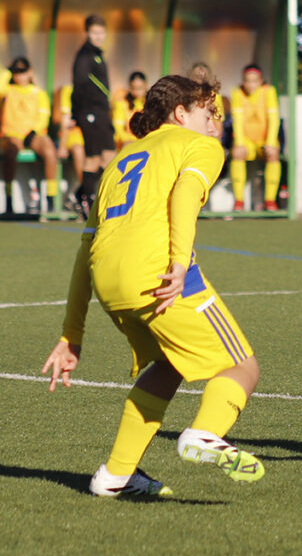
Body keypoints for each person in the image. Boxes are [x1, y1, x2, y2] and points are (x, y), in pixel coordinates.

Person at [42, 75, 265, 497]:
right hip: (158, 273)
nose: (215, 124)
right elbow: (184, 196)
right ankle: (204, 433)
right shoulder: (199, 146)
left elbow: (84, 249)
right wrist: (179, 263)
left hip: (109, 279)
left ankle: (115, 476)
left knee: (169, 364)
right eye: (208, 113)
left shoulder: (122, 158)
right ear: (181, 113)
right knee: (243, 367)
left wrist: (72, 334)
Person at [1, 57, 60, 213]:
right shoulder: (8, 90)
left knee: (49, 151)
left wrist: (33, 131)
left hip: (33, 134)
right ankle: (9, 200)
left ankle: (51, 199)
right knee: (11, 153)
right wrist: (8, 71)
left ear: (30, 72)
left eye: (23, 72)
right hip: (12, 134)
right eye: (16, 72)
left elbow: (44, 116)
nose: (19, 76)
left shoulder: (39, 93)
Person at [71, 14, 116, 218]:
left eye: (101, 32)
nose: (98, 36)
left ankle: (81, 193)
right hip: (89, 112)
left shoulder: (98, 54)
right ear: (87, 33)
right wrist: (77, 114)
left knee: (109, 157)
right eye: (94, 32)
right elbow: (79, 86)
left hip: (102, 112)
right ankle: (84, 201)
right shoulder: (84, 56)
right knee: (93, 157)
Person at [230, 64, 281, 211]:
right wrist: (239, 143)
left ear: (261, 81)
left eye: (254, 80)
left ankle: (270, 201)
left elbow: (274, 119)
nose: (250, 84)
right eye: (247, 80)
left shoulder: (269, 92)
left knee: (273, 154)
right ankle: (239, 201)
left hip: (263, 141)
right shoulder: (237, 92)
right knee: (237, 153)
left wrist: (270, 143)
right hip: (246, 141)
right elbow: (237, 120)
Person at [55, 84, 86, 199]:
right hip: (74, 135)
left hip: (90, 135)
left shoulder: (97, 91)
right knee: (78, 150)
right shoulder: (68, 91)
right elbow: (65, 122)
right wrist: (62, 146)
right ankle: (84, 193)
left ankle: (81, 193)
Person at [189, 62, 226, 140]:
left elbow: (218, 127)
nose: (200, 80)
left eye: (204, 76)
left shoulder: (214, 96)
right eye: (197, 76)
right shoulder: (185, 95)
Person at [112, 71, 147, 150]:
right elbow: (118, 131)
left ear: (145, 86)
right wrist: (133, 140)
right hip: (127, 142)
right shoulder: (122, 104)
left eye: (140, 88)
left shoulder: (149, 103)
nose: (137, 91)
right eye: (134, 88)